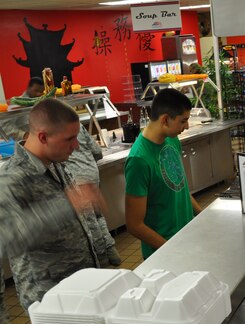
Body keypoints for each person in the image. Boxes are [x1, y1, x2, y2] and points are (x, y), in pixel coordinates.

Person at [0, 98, 101, 311]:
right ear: (43, 137)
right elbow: (8, 239)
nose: (76, 145)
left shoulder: (54, 163)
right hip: (50, 299)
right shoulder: (11, 177)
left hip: (81, 285)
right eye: (70, 139)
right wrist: (67, 205)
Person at [125, 89, 202, 259]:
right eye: (183, 121)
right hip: (164, 253)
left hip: (187, 239)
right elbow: (134, 224)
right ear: (165, 119)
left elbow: (179, 186)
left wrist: (202, 217)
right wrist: (170, 249)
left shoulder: (171, 139)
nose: (187, 126)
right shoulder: (139, 160)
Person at [65, 124, 121, 266]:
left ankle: (102, 258)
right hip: (91, 173)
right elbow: (97, 151)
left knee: (90, 221)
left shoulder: (55, 132)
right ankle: (111, 250)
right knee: (98, 215)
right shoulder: (78, 125)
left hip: (76, 178)